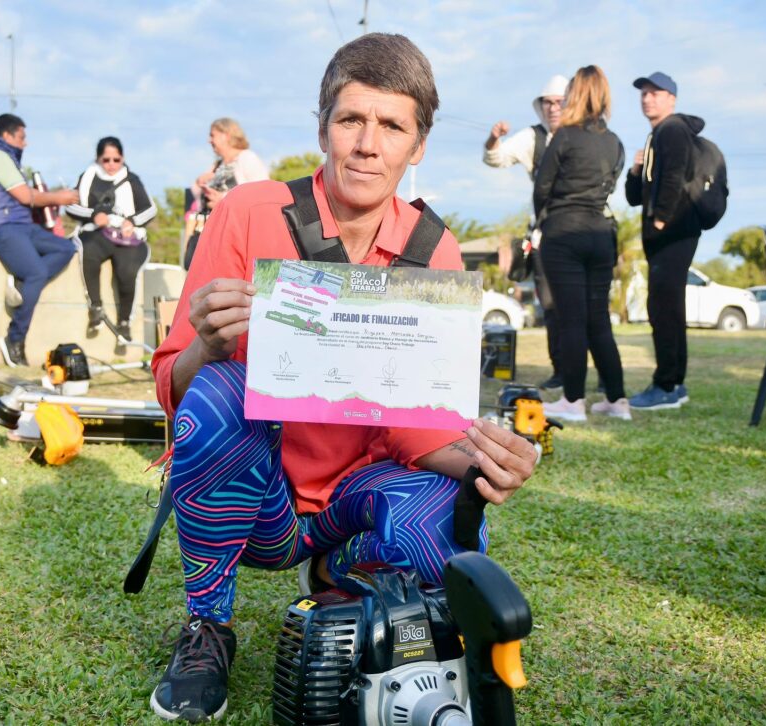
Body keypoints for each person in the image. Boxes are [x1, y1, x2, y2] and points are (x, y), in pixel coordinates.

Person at [148, 33, 537, 722]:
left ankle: (339, 580)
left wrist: (489, 458)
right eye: (351, 119)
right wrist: (207, 345)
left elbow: (421, 432)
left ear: (417, 147)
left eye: (392, 126)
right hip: (257, 498)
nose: (367, 143)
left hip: (352, 501)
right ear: (323, 127)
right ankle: (209, 623)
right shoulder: (248, 210)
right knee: (216, 395)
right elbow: (174, 390)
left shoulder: (433, 249)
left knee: (444, 505)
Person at [533, 66, 628, 422]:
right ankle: (617, 401)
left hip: (564, 233)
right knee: (598, 320)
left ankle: (573, 401)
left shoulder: (564, 136)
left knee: (571, 319)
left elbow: (542, 187)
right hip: (601, 234)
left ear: (577, 94)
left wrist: (543, 219)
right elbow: (611, 183)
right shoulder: (614, 141)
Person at [0, 114, 78, 367]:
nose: (26, 143)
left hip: (17, 224)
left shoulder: (4, 155)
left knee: (66, 247)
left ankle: (22, 290)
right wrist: (61, 198)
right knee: (35, 272)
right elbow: (24, 196)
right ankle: (14, 339)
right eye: (22, 137)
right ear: (7, 135)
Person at [625, 72, 705, 410]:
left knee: (665, 310)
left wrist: (659, 221)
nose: (647, 98)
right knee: (668, 309)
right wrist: (635, 170)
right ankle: (675, 384)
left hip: (673, 234)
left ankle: (667, 386)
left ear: (671, 98)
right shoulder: (657, 135)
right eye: (644, 93)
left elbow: (674, 176)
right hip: (669, 236)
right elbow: (633, 198)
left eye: (655, 93)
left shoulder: (672, 129)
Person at [484, 74, 569, 390]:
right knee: (550, 306)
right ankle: (560, 370)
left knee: (587, 308)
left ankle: (599, 375)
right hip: (546, 235)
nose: (552, 108)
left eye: (559, 102)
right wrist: (494, 139)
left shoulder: (584, 135)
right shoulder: (533, 138)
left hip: (581, 233)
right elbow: (496, 158)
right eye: (547, 102)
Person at [67, 137, 157, 340]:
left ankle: (124, 322)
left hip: (126, 238)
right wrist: (93, 215)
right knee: (88, 252)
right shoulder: (87, 178)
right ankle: (96, 307)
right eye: (106, 160)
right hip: (97, 233)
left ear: (122, 158)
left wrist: (131, 221)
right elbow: (70, 205)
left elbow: (150, 209)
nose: (111, 165)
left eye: (116, 160)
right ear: (98, 159)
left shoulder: (132, 180)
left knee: (126, 271)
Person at [182, 118, 269, 270]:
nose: (209, 140)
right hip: (212, 236)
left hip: (236, 236)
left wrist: (222, 201)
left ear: (226, 135)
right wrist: (199, 182)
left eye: (212, 135)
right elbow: (198, 201)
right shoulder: (217, 165)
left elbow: (263, 195)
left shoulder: (247, 158)